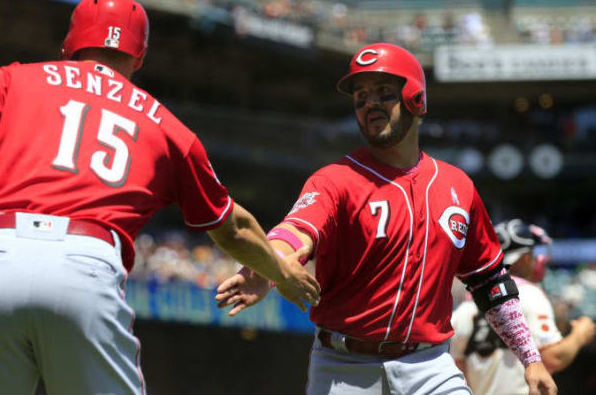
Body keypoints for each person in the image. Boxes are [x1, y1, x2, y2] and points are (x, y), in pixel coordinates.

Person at [0, 0, 320, 395]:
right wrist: (279, 270)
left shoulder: (14, 79)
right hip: (83, 271)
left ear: (69, 44)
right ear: (139, 57)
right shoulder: (167, 127)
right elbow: (234, 228)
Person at [215, 43, 557, 395]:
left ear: (416, 100)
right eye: (360, 96)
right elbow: (296, 232)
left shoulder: (459, 187)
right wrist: (268, 265)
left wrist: (531, 360)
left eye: (383, 93)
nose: (369, 104)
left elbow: (490, 283)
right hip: (343, 367)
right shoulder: (335, 179)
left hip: (430, 367)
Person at [451, 219, 596, 395]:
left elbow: (458, 373)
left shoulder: (465, 308)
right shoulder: (530, 294)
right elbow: (552, 359)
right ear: (524, 258)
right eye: (532, 254)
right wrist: (580, 335)